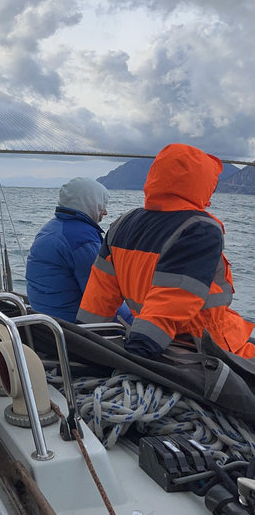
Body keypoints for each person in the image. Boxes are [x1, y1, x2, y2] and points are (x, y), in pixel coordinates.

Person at [77, 143, 255, 360]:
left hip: (159, 340)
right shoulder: (199, 229)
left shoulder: (121, 224)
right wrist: (140, 356)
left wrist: (82, 346)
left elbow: (98, 299)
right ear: (203, 183)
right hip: (205, 346)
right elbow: (174, 298)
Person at [26, 177, 130, 323]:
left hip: (45, 322)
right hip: (73, 330)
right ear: (88, 203)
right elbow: (101, 297)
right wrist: (137, 321)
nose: (105, 212)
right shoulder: (80, 239)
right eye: (101, 206)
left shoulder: (52, 227)